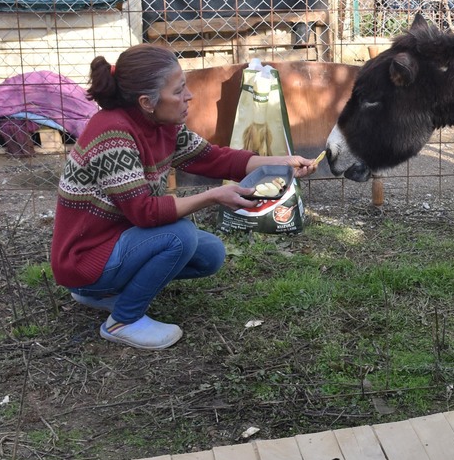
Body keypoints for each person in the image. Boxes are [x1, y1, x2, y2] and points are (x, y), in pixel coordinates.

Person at [50, 44, 318, 350]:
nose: (188, 96)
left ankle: (104, 293)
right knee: (179, 237)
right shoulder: (114, 136)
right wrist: (213, 196)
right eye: (178, 91)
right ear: (146, 102)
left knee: (210, 253)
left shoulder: (161, 125)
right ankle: (123, 320)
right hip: (84, 260)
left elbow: (213, 158)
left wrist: (281, 163)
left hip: (118, 243)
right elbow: (144, 213)